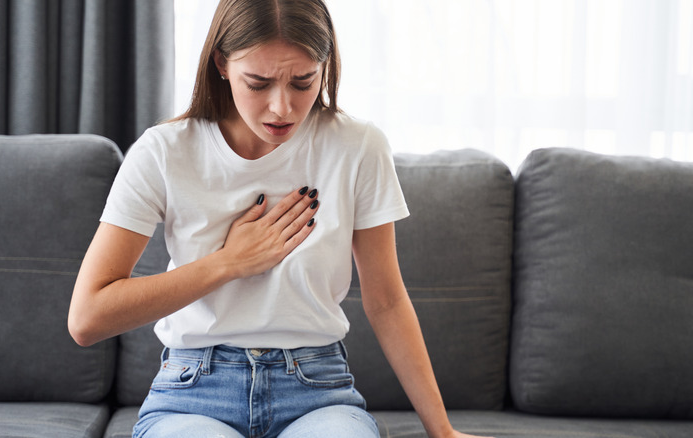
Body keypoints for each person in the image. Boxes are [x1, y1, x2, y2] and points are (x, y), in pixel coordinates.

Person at [69, 1, 492, 437]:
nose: (282, 108)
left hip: (316, 392)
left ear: (325, 67)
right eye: (259, 83)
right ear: (222, 63)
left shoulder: (357, 147)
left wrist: (442, 430)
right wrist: (228, 262)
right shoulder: (164, 152)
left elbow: (386, 301)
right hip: (193, 392)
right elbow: (87, 318)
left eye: (303, 81)